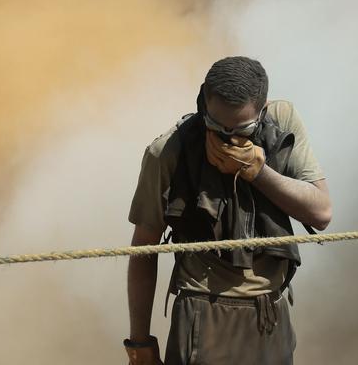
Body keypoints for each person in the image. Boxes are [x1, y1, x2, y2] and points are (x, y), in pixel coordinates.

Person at [124, 56, 332, 365]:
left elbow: (321, 212)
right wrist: (140, 347)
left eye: (242, 127)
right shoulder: (168, 151)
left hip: (270, 312)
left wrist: (258, 173)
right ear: (204, 102)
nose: (227, 136)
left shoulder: (282, 120)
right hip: (202, 315)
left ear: (263, 109)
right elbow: (143, 247)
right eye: (215, 124)